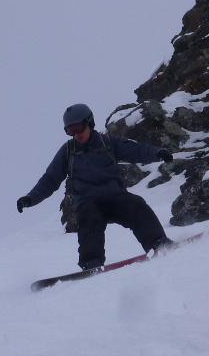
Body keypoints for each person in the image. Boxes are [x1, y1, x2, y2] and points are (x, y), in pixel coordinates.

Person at [17, 103, 175, 271]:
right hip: (89, 202)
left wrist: (157, 153)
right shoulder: (68, 151)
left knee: (136, 205)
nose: (76, 134)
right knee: (88, 218)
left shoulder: (106, 143)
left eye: (78, 128)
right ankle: (91, 264)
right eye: (70, 131)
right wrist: (30, 199)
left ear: (90, 123)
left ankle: (159, 244)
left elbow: (135, 150)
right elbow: (50, 179)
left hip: (115, 198)